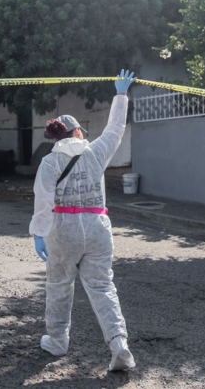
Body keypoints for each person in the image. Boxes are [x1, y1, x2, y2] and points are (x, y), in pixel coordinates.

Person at [30, 69, 137, 372]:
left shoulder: (50, 162)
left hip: (62, 229)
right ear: (78, 132)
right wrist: (120, 94)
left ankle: (57, 340)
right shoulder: (95, 153)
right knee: (103, 287)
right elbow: (115, 129)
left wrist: (39, 233)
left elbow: (43, 201)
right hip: (97, 227)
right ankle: (119, 345)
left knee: (59, 285)